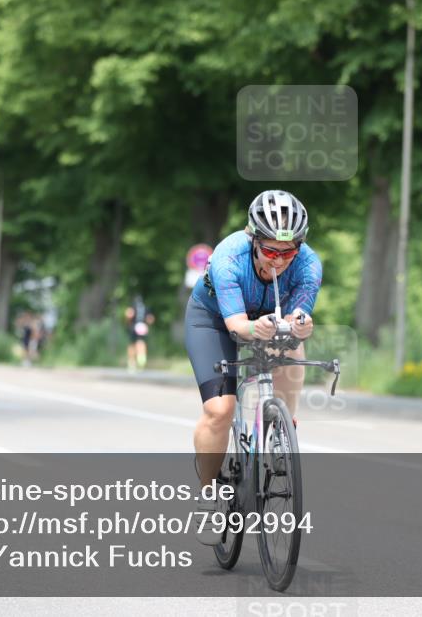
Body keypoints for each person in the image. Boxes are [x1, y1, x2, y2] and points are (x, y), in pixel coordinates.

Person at [185, 190, 321, 545]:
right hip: (214, 321)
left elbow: (297, 316)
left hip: (267, 318)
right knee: (220, 410)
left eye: (288, 252)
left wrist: (300, 324)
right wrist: (254, 328)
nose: (280, 261)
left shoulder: (309, 264)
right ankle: (208, 495)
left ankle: (282, 428)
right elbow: (236, 326)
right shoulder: (229, 257)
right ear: (253, 240)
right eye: (271, 251)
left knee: (293, 345)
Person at [125, 295, 155, 372]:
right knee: (141, 342)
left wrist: (128, 322)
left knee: (132, 344)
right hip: (143, 327)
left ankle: (131, 362)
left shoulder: (133, 307)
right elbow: (150, 319)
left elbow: (129, 314)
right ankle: (141, 359)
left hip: (134, 326)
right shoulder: (146, 308)